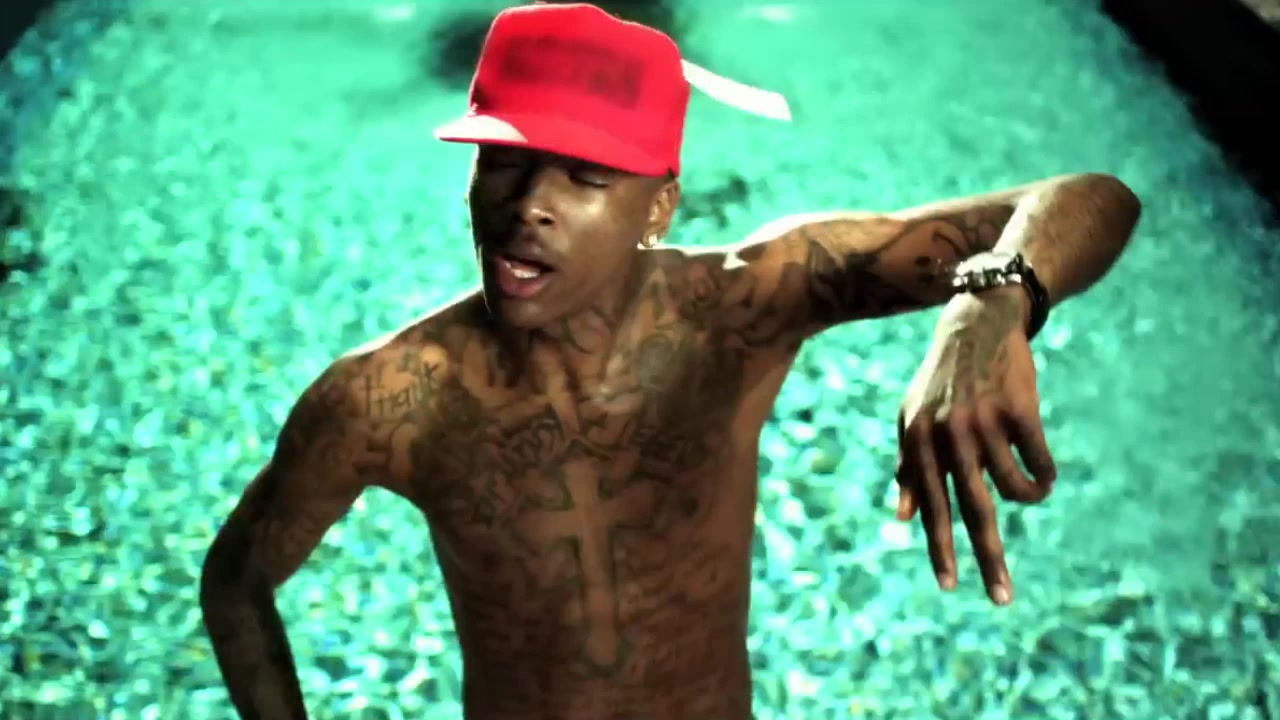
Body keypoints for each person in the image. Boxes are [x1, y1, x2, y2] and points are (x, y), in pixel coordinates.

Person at [197, 3, 1142, 719]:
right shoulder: (391, 399)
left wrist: (988, 304)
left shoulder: (743, 309)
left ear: (658, 207)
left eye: (585, 175)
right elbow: (237, 584)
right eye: (504, 161)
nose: (529, 205)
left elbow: (1090, 197)